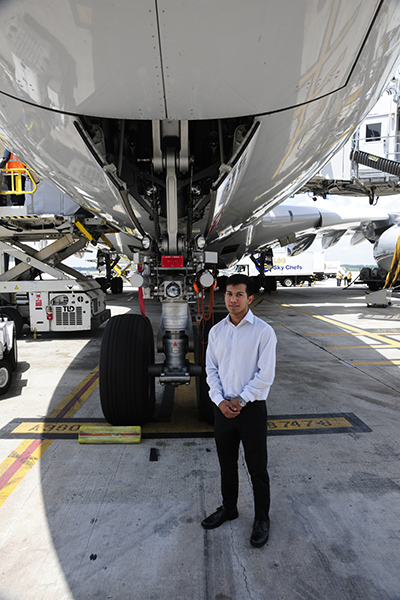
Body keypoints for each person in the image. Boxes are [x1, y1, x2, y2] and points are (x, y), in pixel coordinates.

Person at [202, 273, 277, 548]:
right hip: (223, 409)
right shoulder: (217, 331)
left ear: (250, 298)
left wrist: (241, 401)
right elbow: (211, 370)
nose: (233, 300)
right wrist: (220, 400)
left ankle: (261, 519)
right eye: (229, 294)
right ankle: (229, 508)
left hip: (251, 410)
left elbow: (265, 375)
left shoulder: (263, 332)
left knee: (257, 468)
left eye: (239, 295)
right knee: (226, 464)